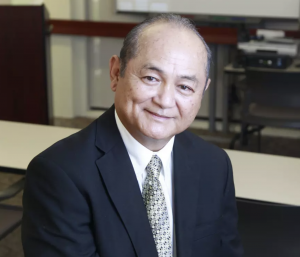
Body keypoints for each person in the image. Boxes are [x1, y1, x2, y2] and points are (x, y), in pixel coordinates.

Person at [22, 14, 243, 257]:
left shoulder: (215, 164)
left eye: (185, 87)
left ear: (202, 91)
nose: (165, 101)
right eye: (151, 78)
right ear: (116, 73)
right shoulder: (60, 175)